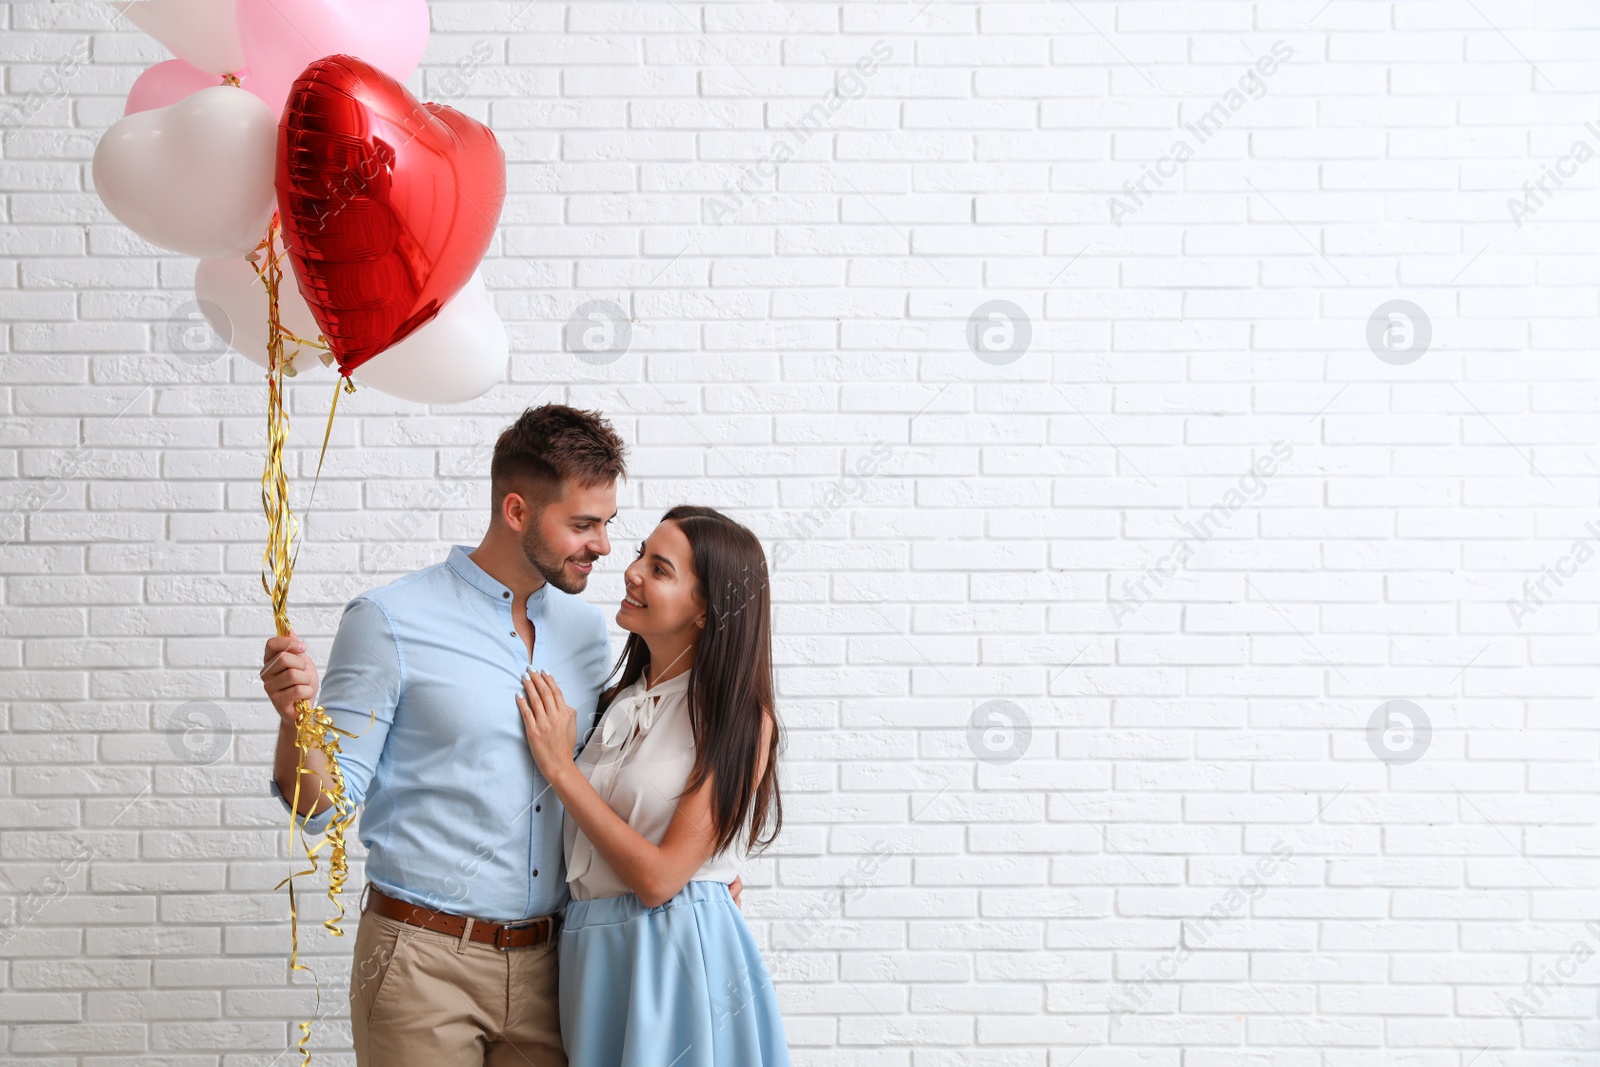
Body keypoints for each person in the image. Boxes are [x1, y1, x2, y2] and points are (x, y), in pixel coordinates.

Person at [257, 405, 742, 1067]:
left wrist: (705, 876)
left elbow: (627, 777)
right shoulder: (389, 620)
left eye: (606, 524)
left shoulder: (585, 634)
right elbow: (322, 807)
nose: (602, 546)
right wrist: (295, 720)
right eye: (582, 524)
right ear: (517, 511)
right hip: (423, 962)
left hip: (555, 965)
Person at [517, 505, 791, 1066]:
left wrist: (561, 770)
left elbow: (661, 879)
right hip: (589, 949)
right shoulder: (616, 701)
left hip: (673, 953)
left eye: (660, 568)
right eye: (641, 552)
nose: (632, 570)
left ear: (705, 609)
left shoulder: (739, 717)